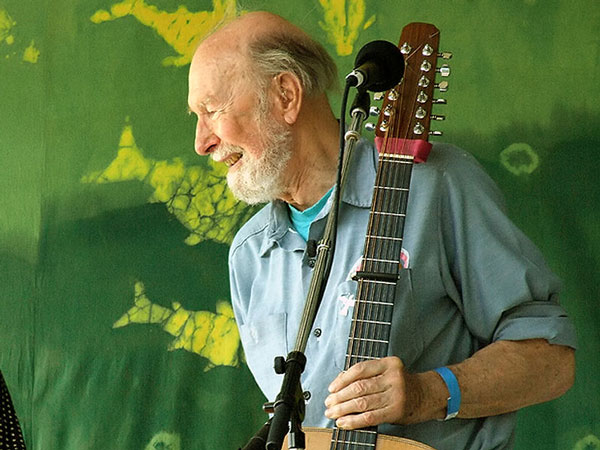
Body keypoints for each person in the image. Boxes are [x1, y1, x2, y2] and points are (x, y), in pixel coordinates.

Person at [187, 11, 577, 449]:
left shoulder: (435, 187)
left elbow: (552, 359)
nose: (202, 142)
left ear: (286, 95)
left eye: (212, 110)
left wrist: (429, 393)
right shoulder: (248, 254)